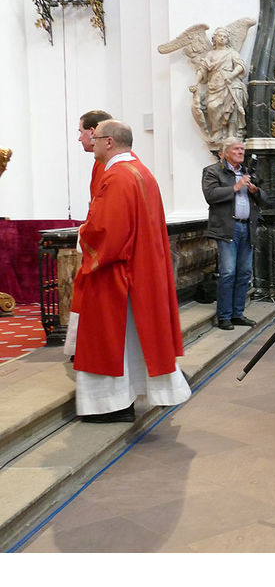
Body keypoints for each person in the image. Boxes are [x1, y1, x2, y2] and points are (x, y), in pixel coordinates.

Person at [74, 120, 190, 422]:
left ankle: (110, 404)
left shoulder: (117, 177)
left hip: (115, 274)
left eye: (94, 138)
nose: (89, 142)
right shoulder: (141, 172)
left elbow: (107, 232)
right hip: (139, 269)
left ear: (109, 141)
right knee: (128, 341)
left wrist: (84, 235)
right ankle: (123, 398)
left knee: (109, 341)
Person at [202, 138, 267, 331]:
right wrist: (235, 188)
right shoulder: (212, 171)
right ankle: (224, 316)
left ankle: (238, 314)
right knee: (228, 273)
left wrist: (255, 191)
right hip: (227, 228)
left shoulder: (248, 172)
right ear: (225, 152)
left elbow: (265, 199)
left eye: (242, 149)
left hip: (247, 228)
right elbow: (210, 195)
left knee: (244, 273)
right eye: (237, 149)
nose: (241, 152)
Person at [64, 110, 114, 357]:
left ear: (93, 132)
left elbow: (104, 211)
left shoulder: (111, 167)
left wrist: (87, 232)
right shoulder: (101, 163)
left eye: (80, 132)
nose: (79, 138)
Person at [194, 28, 248, 142]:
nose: (222, 38)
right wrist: (195, 83)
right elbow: (202, 69)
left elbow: (240, 66)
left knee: (232, 105)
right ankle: (217, 131)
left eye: (224, 36)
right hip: (215, 85)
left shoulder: (232, 53)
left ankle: (231, 132)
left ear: (228, 39)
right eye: (220, 36)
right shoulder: (210, 54)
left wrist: (232, 75)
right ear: (214, 39)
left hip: (230, 83)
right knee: (212, 107)